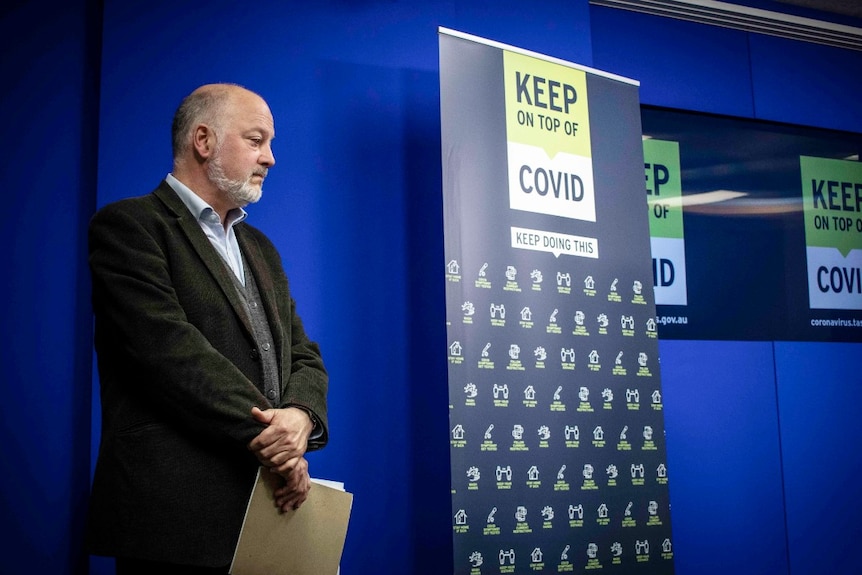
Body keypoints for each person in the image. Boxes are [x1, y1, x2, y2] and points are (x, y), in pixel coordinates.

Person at [85, 83, 329, 575]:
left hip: (264, 512)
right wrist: (280, 448)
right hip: (175, 520)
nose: (271, 158)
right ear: (203, 140)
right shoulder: (130, 227)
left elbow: (303, 355)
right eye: (257, 140)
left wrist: (301, 417)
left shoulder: (260, 247)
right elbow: (168, 352)